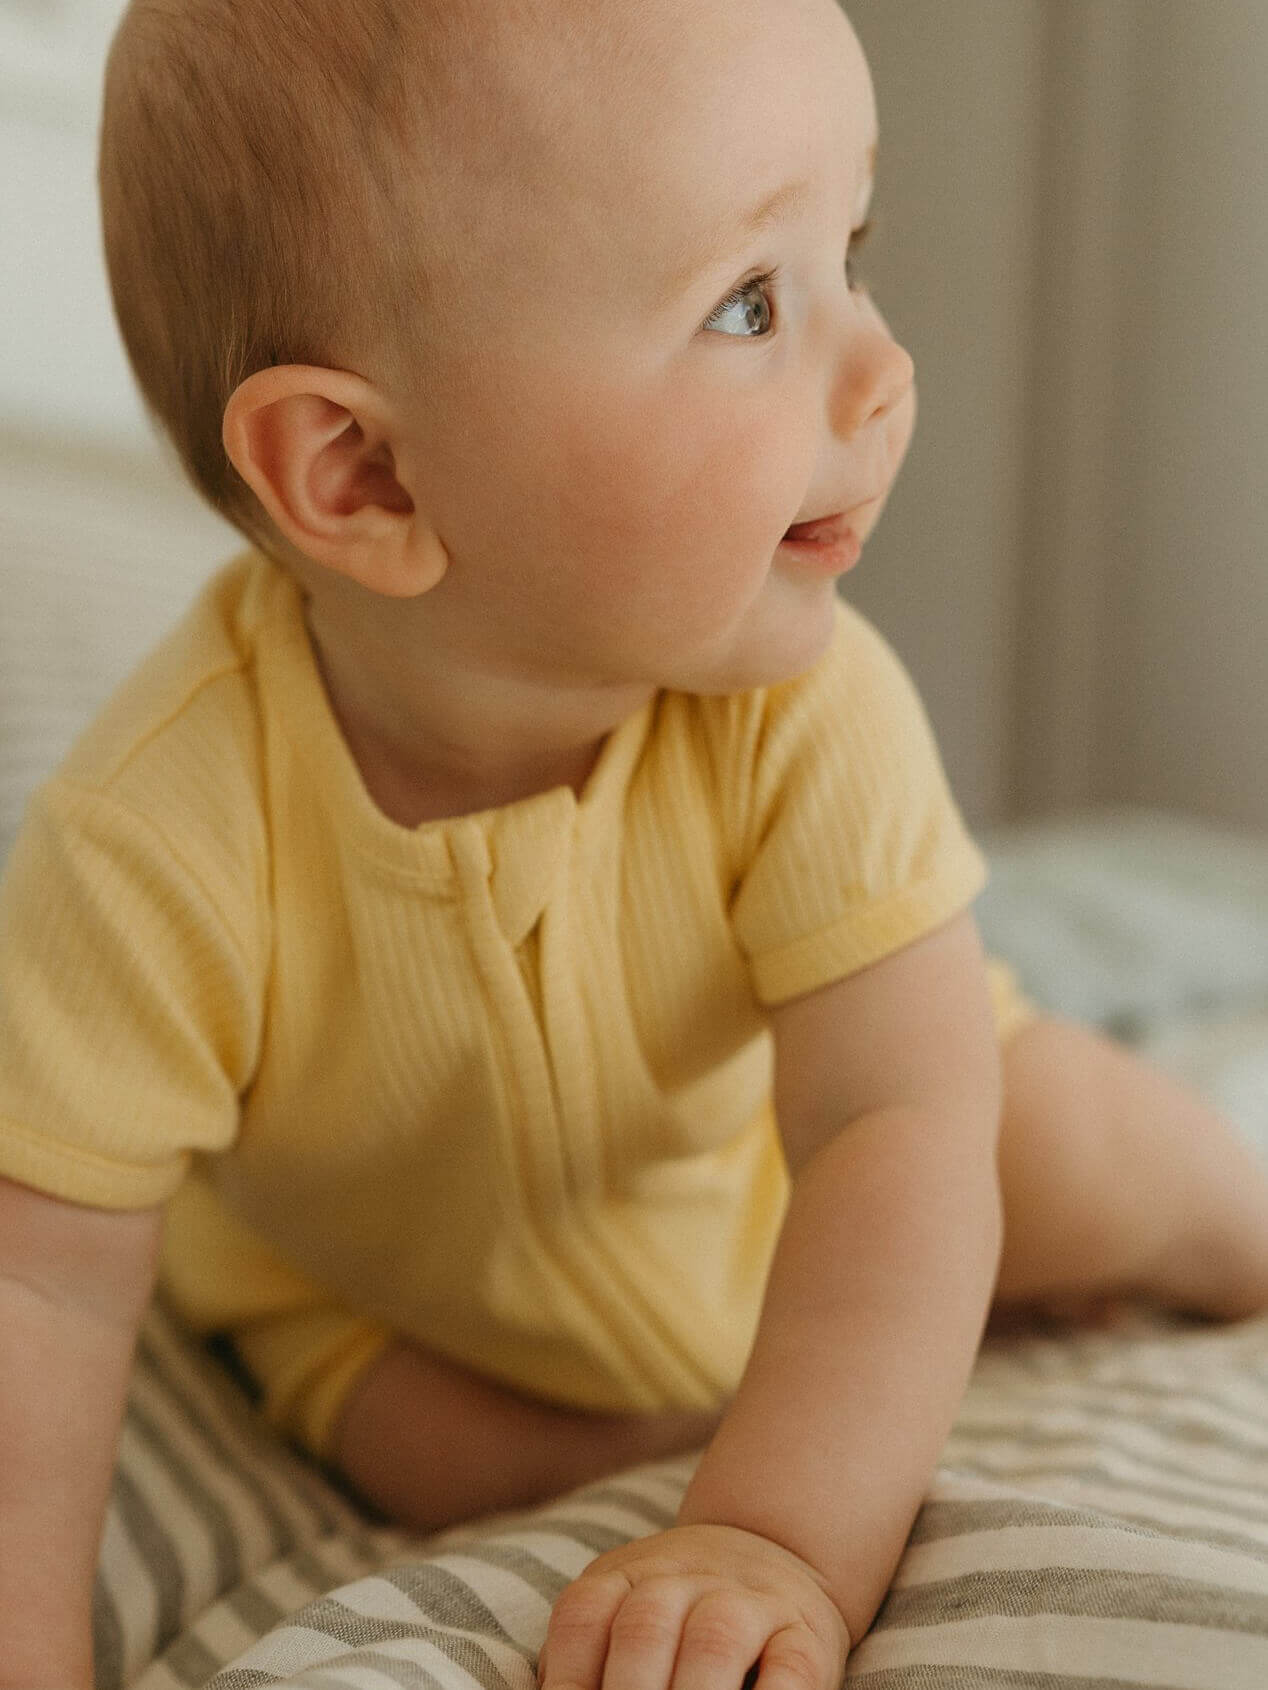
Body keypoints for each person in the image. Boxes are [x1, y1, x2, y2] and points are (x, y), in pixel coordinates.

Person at [3, 0, 1267, 1684]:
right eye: (751, 302)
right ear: (364, 473)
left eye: (853, 248)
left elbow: (897, 1123)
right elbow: (46, 1297)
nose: (884, 367)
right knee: (425, 1453)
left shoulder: (803, 711)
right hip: (399, 1303)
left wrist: (779, 1537)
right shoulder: (154, 839)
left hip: (770, 1171)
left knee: (1060, 1132)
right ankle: (730, 1408)